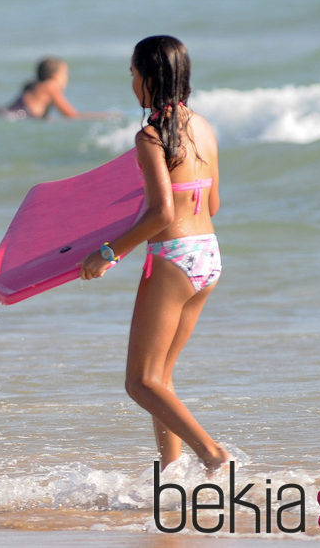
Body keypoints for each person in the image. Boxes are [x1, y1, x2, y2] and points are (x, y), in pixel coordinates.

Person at [78, 36, 230, 473]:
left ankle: (212, 454)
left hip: (174, 258)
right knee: (160, 377)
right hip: (208, 255)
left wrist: (108, 252)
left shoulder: (150, 135)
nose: (130, 83)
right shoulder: (203, 127)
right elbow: (214, 203)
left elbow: (162, 214)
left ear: (148, 78)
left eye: (132, 74)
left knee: (140, 382)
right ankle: (171, 475)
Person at [0, 57, 117, 120]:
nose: (66, 78)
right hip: (13, 116)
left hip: (3, 112)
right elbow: (70, 115)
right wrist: (105, 115)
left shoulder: (33, 85)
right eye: (65, 74)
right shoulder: (51, 86)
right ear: (55, 76)